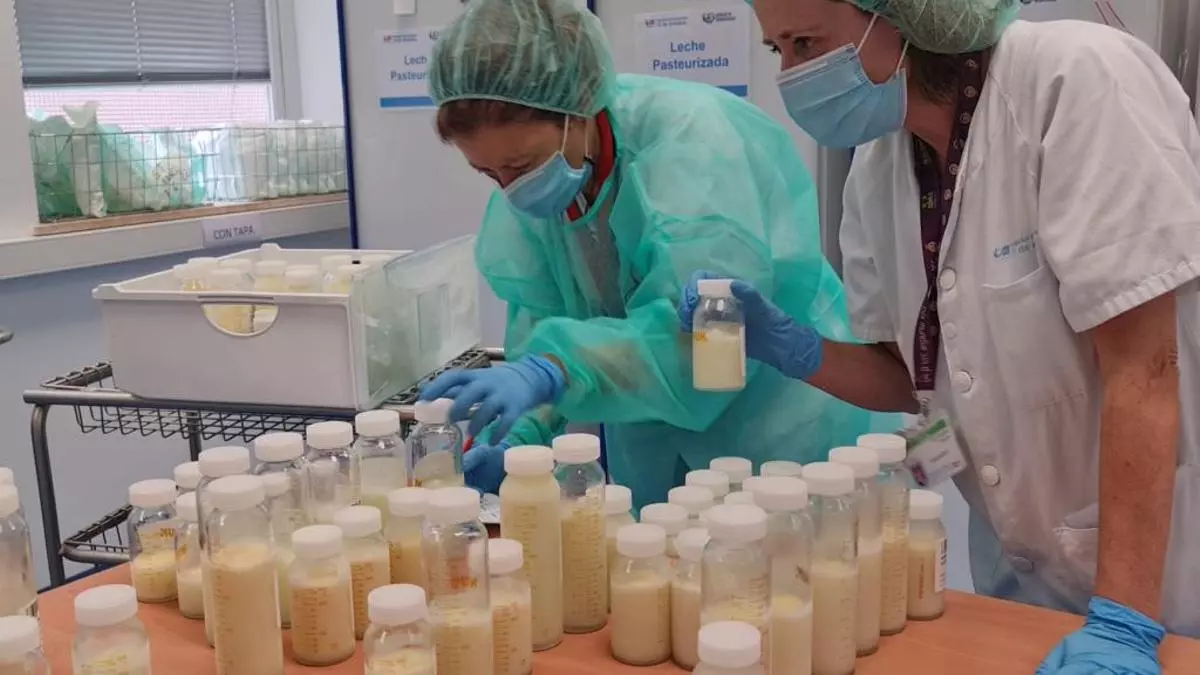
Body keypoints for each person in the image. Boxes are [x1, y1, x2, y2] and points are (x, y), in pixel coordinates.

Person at [681, 0, 1200, 671]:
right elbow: (907, 377)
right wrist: (791, 347)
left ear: (906, 14)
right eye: (777, 50)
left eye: (806, 43)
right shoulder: (878, 168)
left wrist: (1126, 622)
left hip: (1162, 590)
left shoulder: (1074, 80)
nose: (792, 77)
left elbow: (1144, 368)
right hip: (1020, 585)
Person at [417, 0, 882, 505]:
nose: (512, 187)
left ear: (578, 112)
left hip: (777, 430)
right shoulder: (535, 194)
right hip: (652, 440)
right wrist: (519, 434)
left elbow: (707, 340)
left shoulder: (691, 142)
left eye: (522, 164)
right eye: (488, 174)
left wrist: (553, 369)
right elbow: (543, 323)